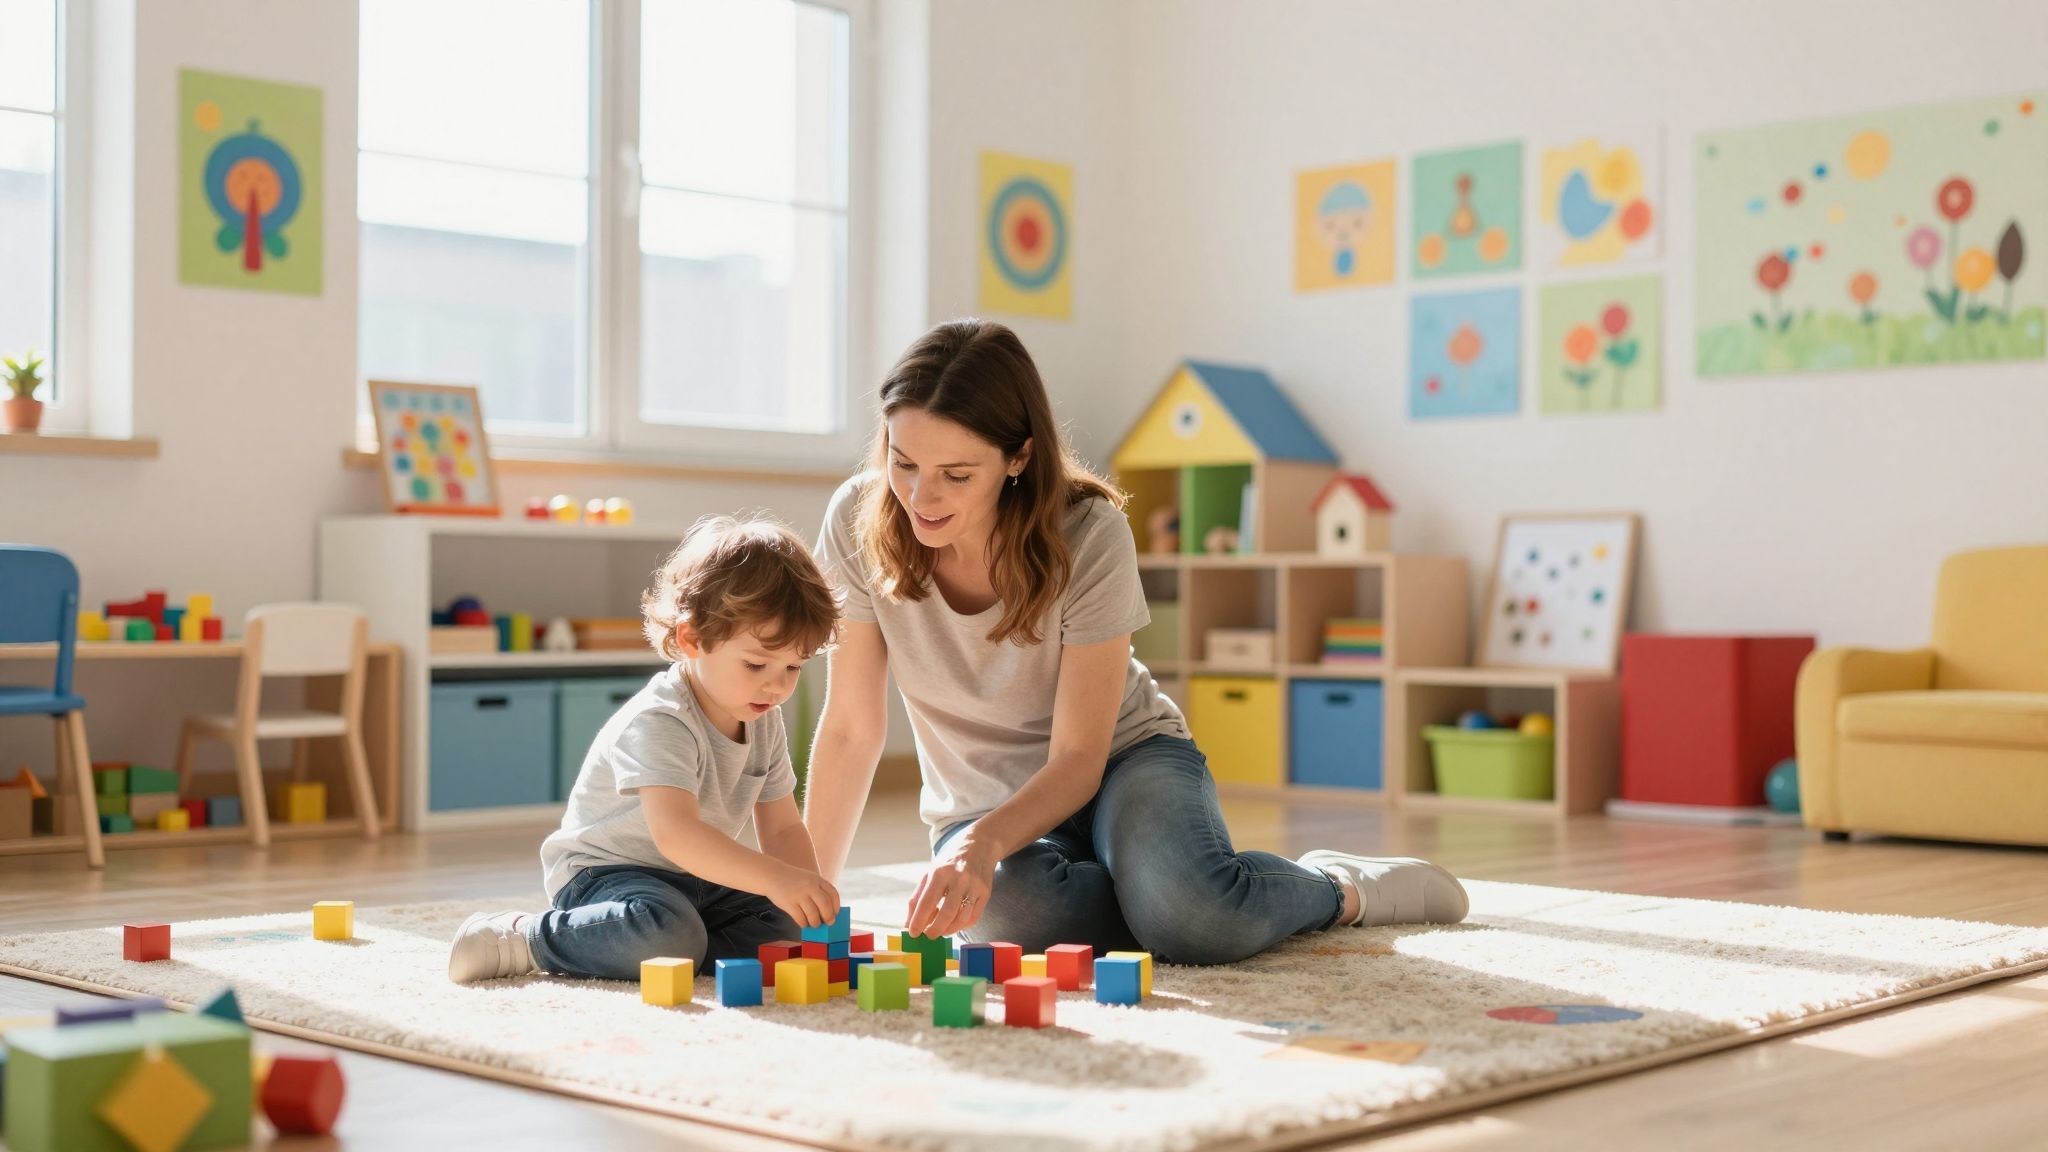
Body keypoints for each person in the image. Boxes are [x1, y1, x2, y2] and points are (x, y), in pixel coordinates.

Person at [802, 319, 1468, 965]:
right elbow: (851, 729)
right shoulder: (858, 524)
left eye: (957, 473)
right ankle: (1167, 889)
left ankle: (1337, 889)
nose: (922, 495)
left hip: (1122, 762)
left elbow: (1080, 756)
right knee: (1012, 920)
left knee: (1196, 920)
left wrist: (980, 847)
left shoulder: (1087, 532)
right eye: (904, 461)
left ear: (1019, 458)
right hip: (984, 802)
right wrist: (806, 897)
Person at [447, 515, 842, 983]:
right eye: (757, 664)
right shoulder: (661, 719)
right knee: (666, 933)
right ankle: (526, 937)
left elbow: (781, 829)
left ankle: (669, 953)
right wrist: (776, 879)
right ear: (692, 639)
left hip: (695, 882)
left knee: (781, 925)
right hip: (606, 877)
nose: (777, 686)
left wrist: (813, 909)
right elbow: (676, 836)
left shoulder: (762, 716)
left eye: (794, 668)